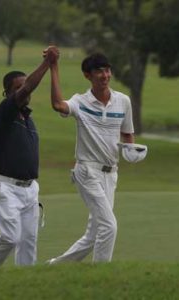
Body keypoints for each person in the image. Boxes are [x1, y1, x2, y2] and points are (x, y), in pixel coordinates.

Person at [47, 52, 135, 263]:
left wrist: (131, 151)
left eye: (107, 70)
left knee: (95, 233)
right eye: (99, 71)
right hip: (87, 170)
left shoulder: (123, 101)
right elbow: (58, 105)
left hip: (111, 173)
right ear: (88, 75)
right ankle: (102, 275)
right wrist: (53, 66)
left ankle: (55, 266)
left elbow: (127, 133)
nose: (105, 75)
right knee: (109, 225)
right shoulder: (80, 101)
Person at [0, 46, 59, 268]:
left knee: (28, 242)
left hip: (30, 189)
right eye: (18, 87)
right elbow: (28, 87)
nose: (25, 90)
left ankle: (25, 281)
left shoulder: (27, 118)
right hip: (6, 187)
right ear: (8, 93)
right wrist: (47, 64)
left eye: (26, 86)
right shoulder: (5, 111)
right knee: (11, 237)